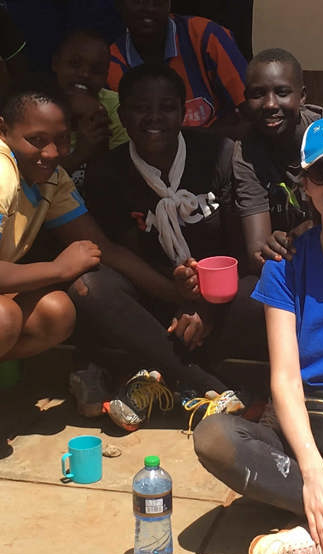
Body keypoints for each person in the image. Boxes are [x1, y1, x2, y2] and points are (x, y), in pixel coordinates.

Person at [193, 115, 323, 554]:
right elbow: (287, 379)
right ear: (306, 186)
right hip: (307, 431)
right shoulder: (285, 263)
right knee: (215, 437)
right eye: (322, 172)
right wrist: (313, 474)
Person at [77, 63, 267, 431]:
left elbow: (241, 249)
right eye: (140, 107)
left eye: (166, 107)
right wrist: (175, 292)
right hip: (151, 299)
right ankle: (210, 387)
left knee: (267, 289)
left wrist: (204, 307)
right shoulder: (106, 172)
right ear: (122, 114)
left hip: (217, 300)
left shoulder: (219, 154)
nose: (154, 118)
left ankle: (155, 377)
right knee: (90, 285)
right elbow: (118, 253)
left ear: (183, 113)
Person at [0, 88, 100, 361]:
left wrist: (172, 292)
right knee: (3, 319)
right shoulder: (2, 171)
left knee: (55, 313)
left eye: (62, 140)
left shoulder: (51, 178)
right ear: (3, 130)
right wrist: (57, 269)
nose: (53, 152)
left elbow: (102, 247)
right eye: (36, 140)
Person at [233, 48, 323, 274]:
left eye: (282, 92)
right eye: (257, 94)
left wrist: (321, 229)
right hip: (292, 264)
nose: (270, 104)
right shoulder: (247, 153)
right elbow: (257, 254)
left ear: (302, 96)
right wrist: (272, 247)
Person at [108, 0, 248, 129]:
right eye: (138, 1)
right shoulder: (110, 63)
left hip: (218, 149)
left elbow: (248, 108)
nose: (149, 8)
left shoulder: (207, 36)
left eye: (157, 0)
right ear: (120, 4)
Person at [52, 29, 129, 189]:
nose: (85, 74)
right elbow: (31, 188)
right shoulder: (33, 109)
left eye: (96, 70)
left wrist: (100, 135)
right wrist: (80, 154)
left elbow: (123, 182)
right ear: (55, 64)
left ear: (106, 74)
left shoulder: (116, 107)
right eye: (74, 64)